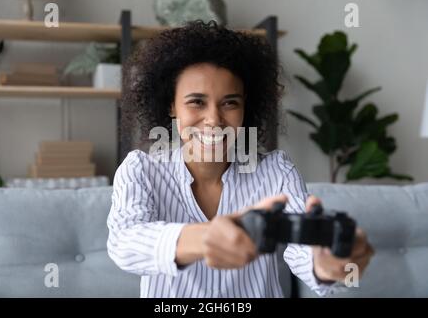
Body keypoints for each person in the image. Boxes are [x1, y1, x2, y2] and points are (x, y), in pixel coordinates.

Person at [107, 21, 374, 298]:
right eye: (197, 102)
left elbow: (302, 251)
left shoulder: (276, 171)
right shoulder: (141, 169)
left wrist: (325, 264)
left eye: (229, 103)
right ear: (171, 106)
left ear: (246, 105)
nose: (214, 119)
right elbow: (125, 242)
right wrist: (205, 238)